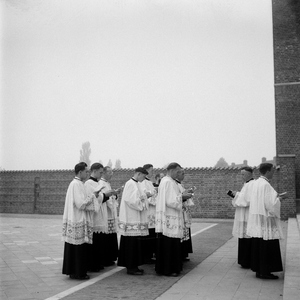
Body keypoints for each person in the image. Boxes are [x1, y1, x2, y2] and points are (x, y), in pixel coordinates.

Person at [62, 162, 106, 280]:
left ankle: (75, 271)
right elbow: (80, 203)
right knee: (78, 247)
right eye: (86, 171)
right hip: (77, 218)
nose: (88, 173)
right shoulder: (76, 184)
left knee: (77, 246)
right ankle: (78, 272)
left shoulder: (78, 183)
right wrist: (93, 195)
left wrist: (93, 195)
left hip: (79, 217)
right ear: (80, 172)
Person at [246, 163, 287, 279]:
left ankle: (259, 270)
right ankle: (265, 271)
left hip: (258, 220)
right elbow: (270, 204)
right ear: (268, 171)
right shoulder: (266, 185)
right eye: (272, 170)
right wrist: (279, 198)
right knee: (267, 246)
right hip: (266, 220)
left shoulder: (256, 183)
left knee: (258, 245)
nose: (274, 172)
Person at [155, 162, 193, 277]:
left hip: (173, 216)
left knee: (171, 243)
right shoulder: (167, 182)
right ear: (171, 170)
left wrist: (182, 195)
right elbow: (170, 201)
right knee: (169, 245)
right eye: (177, 171)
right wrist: (183, 197)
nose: (179, 173)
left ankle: (171, 268)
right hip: (170, 217)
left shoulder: (171, 182)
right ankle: (168, 269)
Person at [117, 167, 152, 275]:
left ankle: (134, 265)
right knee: (131, 244)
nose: (143, 179)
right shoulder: (130, 184)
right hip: (131, 218)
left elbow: (140, 197)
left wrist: (145, 196)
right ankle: (131, 267)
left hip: (136, 217)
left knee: (135, 243)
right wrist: (144, 198)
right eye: (143, 176)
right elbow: (130, 200)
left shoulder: (137, 184)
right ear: (138, 174)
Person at [84, 163, 118, 272]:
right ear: (94, 171)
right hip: (95, 217)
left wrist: (107, 195)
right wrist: (105, 195)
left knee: (100, 242)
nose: (101, 174)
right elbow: (92, 199)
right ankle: (93, 265)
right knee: (95, 242)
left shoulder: (99, 183)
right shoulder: (89, 183)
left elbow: (100, 197)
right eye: (100, 172)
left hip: (101, 214)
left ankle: (99, 263)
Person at [230, 166, 255, 269]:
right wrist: (237, 195)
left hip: (247, 214)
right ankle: (243, 260)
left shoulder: (252, 184)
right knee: (243, 238)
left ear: (249, 174)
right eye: (241, 174)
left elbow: (248, 200)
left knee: (247, 238)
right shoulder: (247, 184)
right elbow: (244, 197)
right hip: (243, 214)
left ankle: (247, 261)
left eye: (243, 174)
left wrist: (237, 195)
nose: (241, 176)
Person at [98, 166, 120, 266]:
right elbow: (104, 198)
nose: (112, 174)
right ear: (104, 173)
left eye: (112, 172)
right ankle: (107, 258)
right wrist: (112, 198)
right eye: (110, 172)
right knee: (107, 237)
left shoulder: (107, 183)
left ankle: (111, 257)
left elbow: (110, 196)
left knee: (111, 236)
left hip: (111, 214)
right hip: (106, 213)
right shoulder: (101, 183)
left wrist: (115, 194)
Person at [139, 164, 157, 264]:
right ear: (146, 170)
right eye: (151, 170)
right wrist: (153, 197)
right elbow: (144, 195)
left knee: (152, 233)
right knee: (147, 234)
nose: (152, 172)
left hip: (152, 212)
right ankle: (146, 256)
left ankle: (150, 255)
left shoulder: (149, 182)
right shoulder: (142, 182)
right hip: (147, 211)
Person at [175, 168, 194, 262]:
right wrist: (184, 195)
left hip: (183, 210)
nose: (184, 176)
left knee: (186, 232)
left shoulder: (179, 184)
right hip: (179, 211)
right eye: (182, 174)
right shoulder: (174, 184)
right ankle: (181, 253)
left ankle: (184, 253)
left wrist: (187, 192)